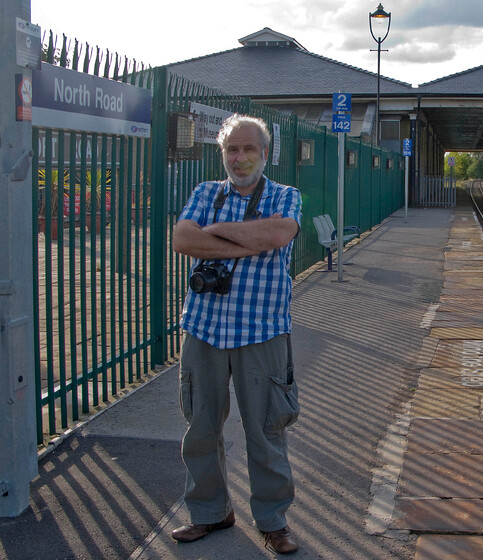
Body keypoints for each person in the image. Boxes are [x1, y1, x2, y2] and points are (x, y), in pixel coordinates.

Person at [170, 114, 302, 555]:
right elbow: (183, 239)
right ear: (222, 153)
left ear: (265, 154)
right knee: (201, 427)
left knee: (266, 430)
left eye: (249, 149)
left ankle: (273, 520)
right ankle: (210, 512)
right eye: (232, 149)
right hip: (204, 330)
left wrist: (216, 233)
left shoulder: (286, 195)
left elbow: (279, 232)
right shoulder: (205, 192)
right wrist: (249, 243)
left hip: (261, 331)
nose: (240, 157)